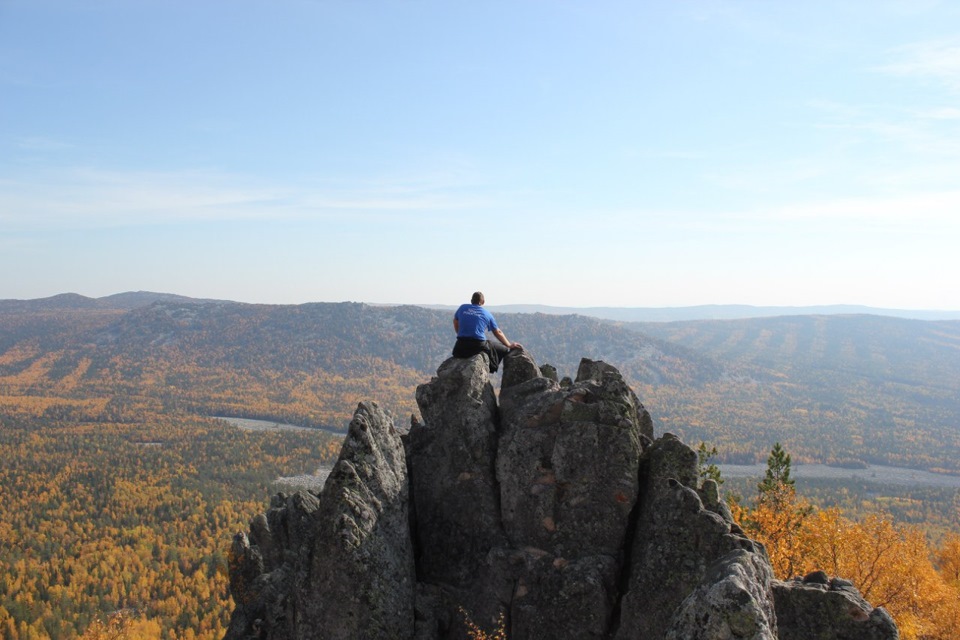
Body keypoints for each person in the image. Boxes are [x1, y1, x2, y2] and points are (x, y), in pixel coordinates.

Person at [452, 291, 522, 373]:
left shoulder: (462, 308)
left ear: (471, 301)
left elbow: (455, 321)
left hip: (460, 346)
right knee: (503, 349)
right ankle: (490, 368)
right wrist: (509, 345)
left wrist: (460, 334)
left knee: (487, 344)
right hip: (478, 345)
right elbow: (497, 332)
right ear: (483, 302)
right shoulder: (486, 313)